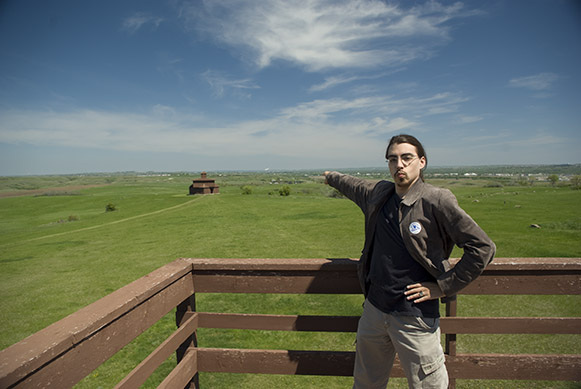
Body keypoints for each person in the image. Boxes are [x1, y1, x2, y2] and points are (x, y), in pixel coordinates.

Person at [323, 134, 495, 388]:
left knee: (428, 385)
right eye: (393, 159)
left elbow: (482, 247)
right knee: (366, 383)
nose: (399, 165)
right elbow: (352, 184)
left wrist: (444, 286)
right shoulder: (379, 193)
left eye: (407, 158)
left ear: (422, 162)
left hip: (415, 317)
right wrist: (330, 176)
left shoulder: (436, 200)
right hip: (375, 310)